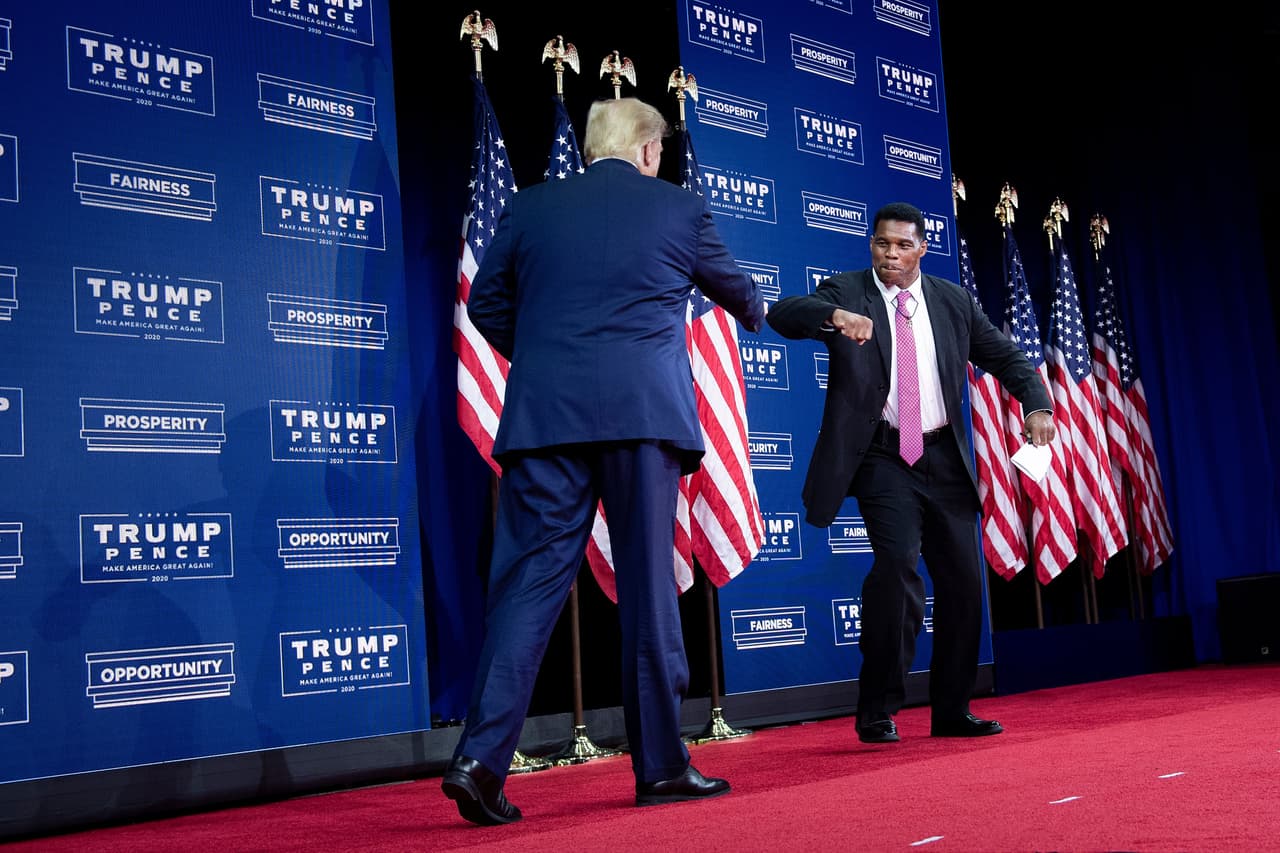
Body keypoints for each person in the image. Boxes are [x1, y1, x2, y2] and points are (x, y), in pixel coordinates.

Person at [441, 97, 764, 825]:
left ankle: (479, 760)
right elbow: (741, 298)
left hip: (544, 420)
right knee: (649, 590)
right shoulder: (679, 210)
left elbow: (487, 305)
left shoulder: (528, 207)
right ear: (649, 151)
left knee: (526, 590)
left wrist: (553, 357)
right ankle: (661, 768)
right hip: (642, 420)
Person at [766, 201, 1054, 744]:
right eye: (881, 244)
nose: (891, 255)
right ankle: (878, 708)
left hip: (943, 456)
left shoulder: (952, 301)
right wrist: (834, 317)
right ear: (870, 245)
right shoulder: (847, 290)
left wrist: (1036, 404)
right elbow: (784, 312)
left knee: (965, 585)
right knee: (897, 567)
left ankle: (952, 710)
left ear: (922, 247)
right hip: (882, 456)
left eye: (902, 245)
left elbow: (1007, 357)